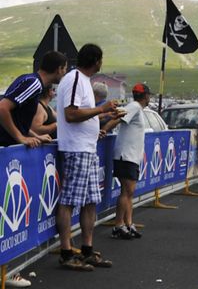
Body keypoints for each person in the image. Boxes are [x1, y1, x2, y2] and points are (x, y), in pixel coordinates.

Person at [56, 44, 121, 270]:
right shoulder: (75, 78)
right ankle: (66, 252)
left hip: (88, 148)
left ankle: (87, 249)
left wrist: (103, 115)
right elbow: (71, 114)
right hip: (76, 148)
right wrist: (102, 111)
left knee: (90, 200)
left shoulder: (83, 81)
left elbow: (83, 114)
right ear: (96, 61)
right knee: (69, 200)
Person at [104, 83, 152, 240]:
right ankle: (118, 225)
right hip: (126, 155)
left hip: (131, 155)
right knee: (127, 191)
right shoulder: (135, 107)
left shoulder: (136, 107)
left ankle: (128, 223)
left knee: (129, 192)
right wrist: (104, 129)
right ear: (146, 96)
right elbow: (118, 117)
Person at [0, 51, 67, 148]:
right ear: (59, 69)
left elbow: (17, 120)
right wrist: (21, 138)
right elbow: (2, 108)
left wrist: (36, 136)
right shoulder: (34, 83)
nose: (65, 72)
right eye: (65, 68)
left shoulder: (30, 80)